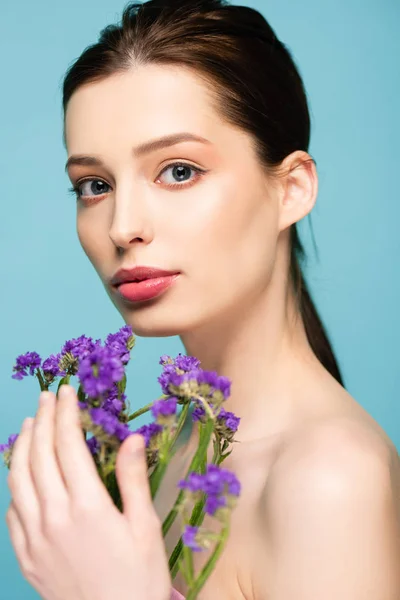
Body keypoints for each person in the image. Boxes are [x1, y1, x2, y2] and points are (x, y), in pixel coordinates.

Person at [6, 0, 400, 599]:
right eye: (95, 185)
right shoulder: (178, 443)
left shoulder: (329, 479)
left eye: (179, 171)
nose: (122, 226)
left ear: (291, 190)